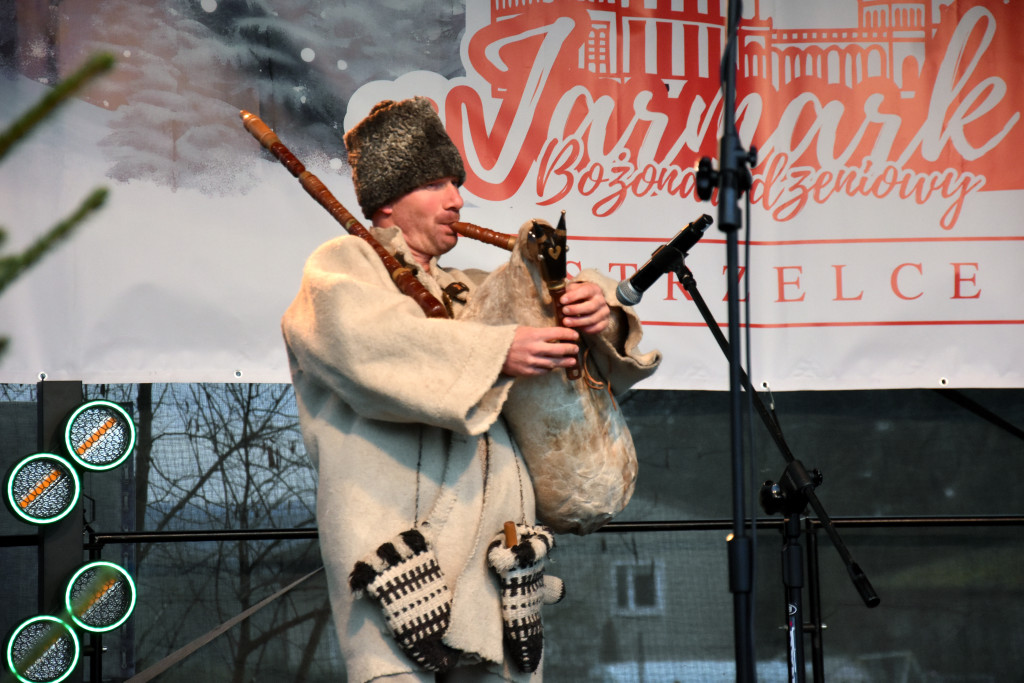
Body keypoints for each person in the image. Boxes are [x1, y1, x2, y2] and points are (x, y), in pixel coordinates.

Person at [282, 97, 660, 682]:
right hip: (400, 558)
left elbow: (583, 372)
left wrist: (595, 311)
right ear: (387, 201)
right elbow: (363, 344)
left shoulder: (473, 289)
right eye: (435, 184)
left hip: (499, 564)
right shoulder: (343, 268)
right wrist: (496, 352)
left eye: (456, 183)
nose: (457, 199)